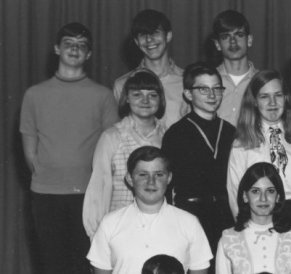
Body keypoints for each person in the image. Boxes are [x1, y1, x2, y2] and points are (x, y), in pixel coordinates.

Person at [19, 22, 119, 274]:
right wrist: (50, 176)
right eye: (69, 44)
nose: (75, 49)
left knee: (86, 263)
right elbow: (30, 151)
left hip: (88, 195)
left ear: (89, 54)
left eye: (81, 45)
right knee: (52, 264)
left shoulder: (103, 95)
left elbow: (111, 149)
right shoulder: (34, 95)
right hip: (46, 195)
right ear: (56, 49)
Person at [227, 69, 291, 250]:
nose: (273, 103)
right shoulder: (242, 145)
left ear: (286, 99)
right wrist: (244, 228)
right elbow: (234, 190)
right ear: (254, 102)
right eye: (264, 97)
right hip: (258, 215)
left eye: (278, 95)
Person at [87, 146, 212, 274]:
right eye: (143, 174)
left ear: (168, 178)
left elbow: (199, 269)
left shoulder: (189, 223)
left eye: (158, 175)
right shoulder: (110, 223)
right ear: (130, 179)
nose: (151, 182)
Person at [161, 62, 235, 255]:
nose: (212, 95)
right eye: (203, 89)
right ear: (188, 94)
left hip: (225, 216)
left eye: (217, 89)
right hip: (190, 215)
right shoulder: (176, 134)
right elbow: (167, 186)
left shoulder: (230, 131)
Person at [83, 70, 166, 238]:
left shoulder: (169, 137)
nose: (145, 101)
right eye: (137, 95)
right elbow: (99, 187)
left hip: (160, 227)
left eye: (152, 95)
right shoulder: (112, 137)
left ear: (160, 99)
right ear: (126, 98)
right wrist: (96, 236)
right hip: (120, 228)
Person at [216, 162, 291, 274]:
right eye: (255, 191)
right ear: (245, 196)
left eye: (270, 191)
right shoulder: (228, 239)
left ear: (278, 196)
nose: (263, 198)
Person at [113, 9, 189, 129]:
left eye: (155, 32)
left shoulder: (187, 81)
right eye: (143, 35)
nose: (149, 40)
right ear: (137, 42)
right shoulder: (122, 84)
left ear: (168, 36)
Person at [212, 9, 258, 126]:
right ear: (217, 44)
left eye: (239, 35)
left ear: (250, 40)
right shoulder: (208, 82)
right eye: (226, 37)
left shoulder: (261, 81)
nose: (233, 41)